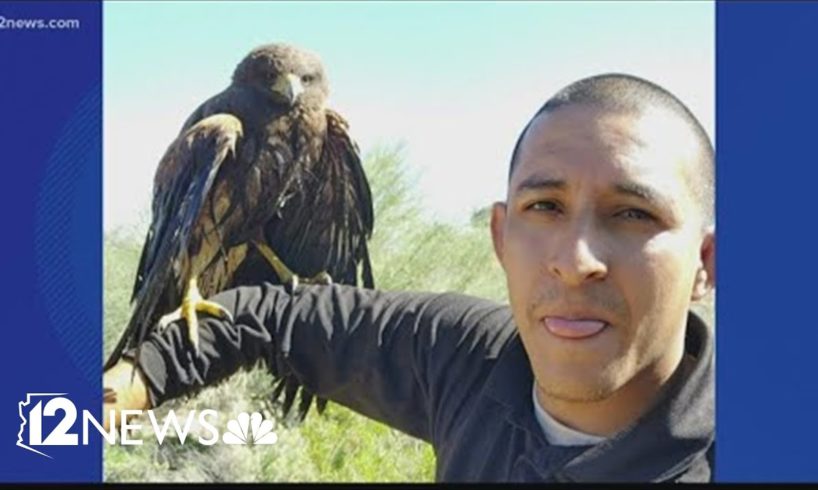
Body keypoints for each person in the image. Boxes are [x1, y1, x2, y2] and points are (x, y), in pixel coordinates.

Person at [103, 73, 716, 483]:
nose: (576, 259)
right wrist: (128, 385)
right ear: (501, 238)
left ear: (706, 265)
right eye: (545, 207)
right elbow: (261, 315)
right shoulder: (468, 357)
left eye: (634, 214)